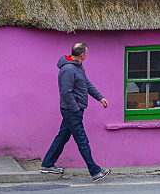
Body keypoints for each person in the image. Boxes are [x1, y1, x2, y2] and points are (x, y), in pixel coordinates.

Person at [40, 42, 111, 181]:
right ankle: (95, 171)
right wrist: (75, 108)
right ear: (82, 55)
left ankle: (47, 164)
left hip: (74, 110)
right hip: (71, 111)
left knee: (62, 136)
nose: (87, 56)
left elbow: (86, 83)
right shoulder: (68, 70)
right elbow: (65, 92)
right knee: (82, 140)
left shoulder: (78, 67)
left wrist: (99, 97)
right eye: (87, 53)